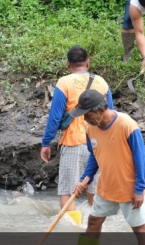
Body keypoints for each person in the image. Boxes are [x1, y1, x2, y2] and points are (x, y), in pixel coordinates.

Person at [39, 45, 114, 224]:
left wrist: (46, 142)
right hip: (98, 144)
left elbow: (55, 117)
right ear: (87, 62)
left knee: (68, 191)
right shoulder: (102, 82)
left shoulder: (64, 82)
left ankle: (73, 231)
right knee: (94, 193)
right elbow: (110, 114)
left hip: (73, 142)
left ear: (68, 64)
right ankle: (93, 232)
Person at [72, 89, 145, 245]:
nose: (85, 119)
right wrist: (84, 180)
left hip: (130, 186)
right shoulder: (90, 129)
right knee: (93, 221)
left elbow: (141, 158)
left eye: (88, 115)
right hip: (108, 185)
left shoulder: (126, 124)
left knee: (139, 229)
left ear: (101, 110)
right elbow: (95, 156)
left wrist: (139, 189)